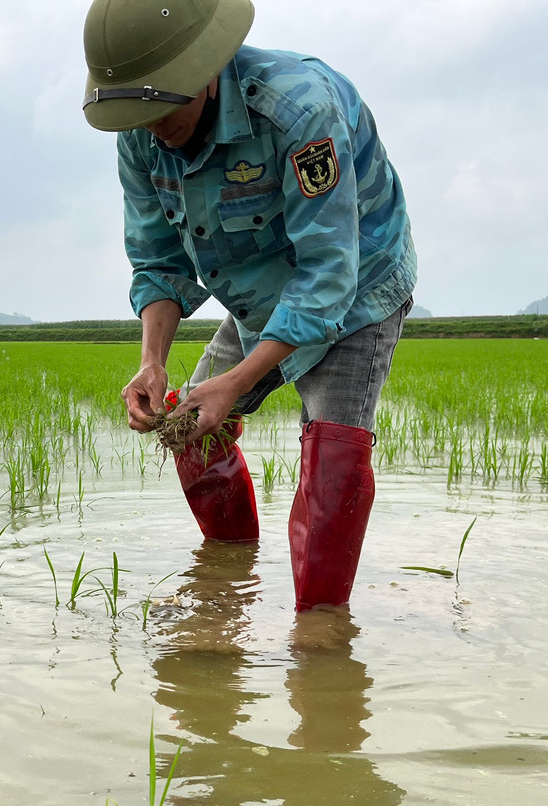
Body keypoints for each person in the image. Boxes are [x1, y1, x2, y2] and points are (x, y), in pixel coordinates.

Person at [82, 0, 416, 613]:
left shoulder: (299, 111)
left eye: (163, 107)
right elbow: (158, 260)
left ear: (206, 71)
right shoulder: (142, 134)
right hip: (258, 290)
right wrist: (152, 361)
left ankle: (320, 635)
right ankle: (229, 580)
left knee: (334, 459)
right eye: (139, 113)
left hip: (357, 281)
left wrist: (236, 382)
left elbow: (326, 272)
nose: (153, 125)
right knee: (188, 432)